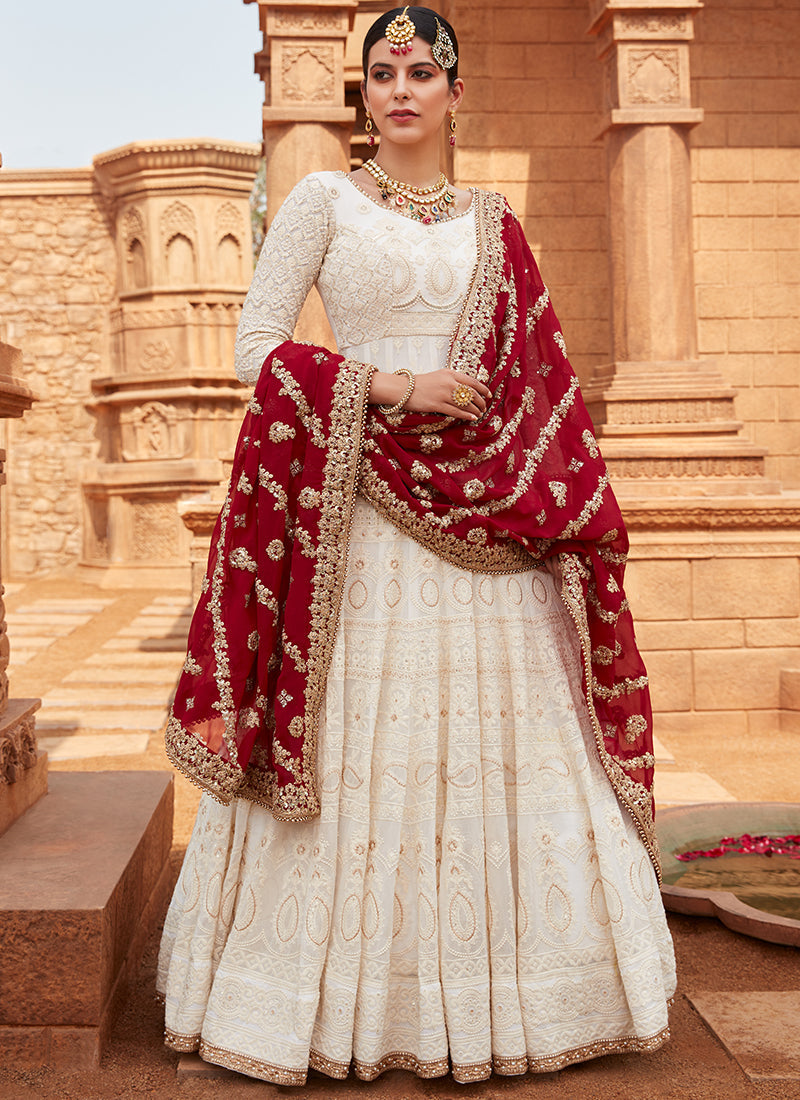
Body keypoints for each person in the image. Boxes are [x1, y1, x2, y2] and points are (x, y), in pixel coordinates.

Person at [157, 5, 676, 1085]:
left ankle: (524, 993)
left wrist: (539, 498)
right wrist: (394, 386)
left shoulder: (494, 223)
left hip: (486, 523)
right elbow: (259, 349)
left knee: (504, 755)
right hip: (358, 518)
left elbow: (540, 382)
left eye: (419, 72)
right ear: (363, 93)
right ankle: (323, 1000)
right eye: (380, 72)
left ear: (452, 89)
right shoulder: (322, 202)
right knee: (357, 752)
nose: (398, 90)